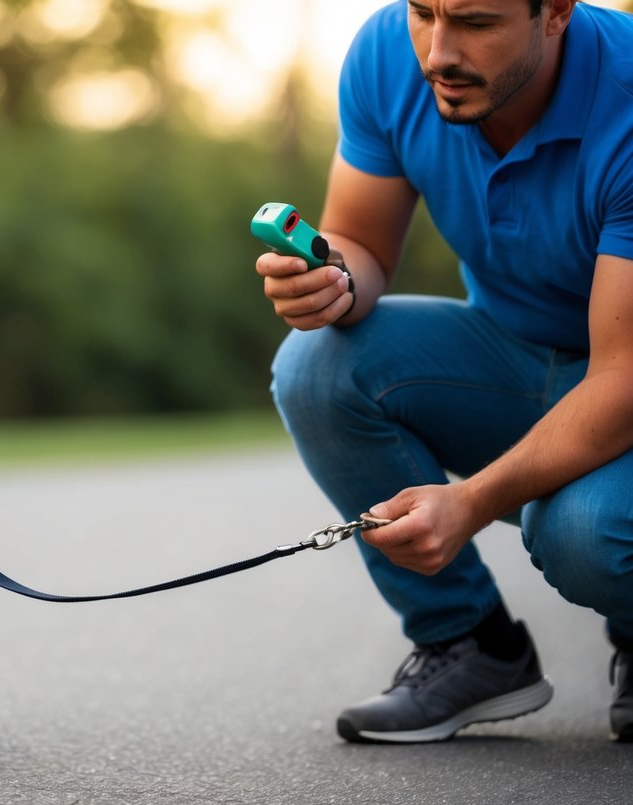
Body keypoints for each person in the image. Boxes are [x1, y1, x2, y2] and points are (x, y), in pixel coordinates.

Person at [258, 0, 633, 743]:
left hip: (618, 378)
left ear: (554, 11)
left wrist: (469, 503)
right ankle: (468, 646)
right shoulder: (384, 58)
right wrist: (331, 281)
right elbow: (359, 242)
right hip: (516, 353)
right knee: (315, 365)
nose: (437, 51)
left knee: (580, 535)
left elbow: (621, 381)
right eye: (422, 12)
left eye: (475, 22)